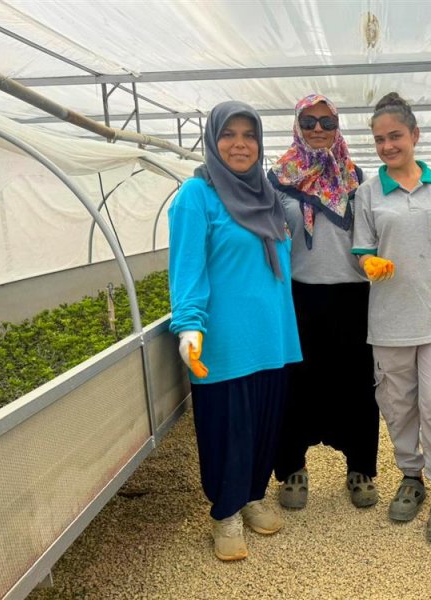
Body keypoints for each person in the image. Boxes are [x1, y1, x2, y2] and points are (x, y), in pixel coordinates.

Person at [168, 101, 302, 561]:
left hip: (272, 337)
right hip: (225, 341)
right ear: (212, 140)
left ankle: (251, 496)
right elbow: (187, 266)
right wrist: (189, 325)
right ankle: (225, 512)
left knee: (264, 423)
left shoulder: (268, 196)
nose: (240, 144)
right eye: (229, 134)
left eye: (249, 135)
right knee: (227, 428)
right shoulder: (197, 195)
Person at [352, 92, 431, 543]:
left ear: (415, 135)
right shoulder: (368, 192)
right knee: (397, 404)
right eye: (379, 139)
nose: (387, 146)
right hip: (389, 321)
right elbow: (361, 251)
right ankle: (411, 476)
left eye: (396, 136)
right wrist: (368, 262)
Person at [267, 94, 380, 510]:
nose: (318, 129)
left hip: (352, 296)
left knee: (356, 383)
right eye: (309, 121)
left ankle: (360, 467)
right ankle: (292, 467)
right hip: (298, 296)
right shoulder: (278, 178)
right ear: (297, 126)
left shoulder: (356, 177)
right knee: (296, 382)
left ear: (338, 127)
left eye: (327, 122)